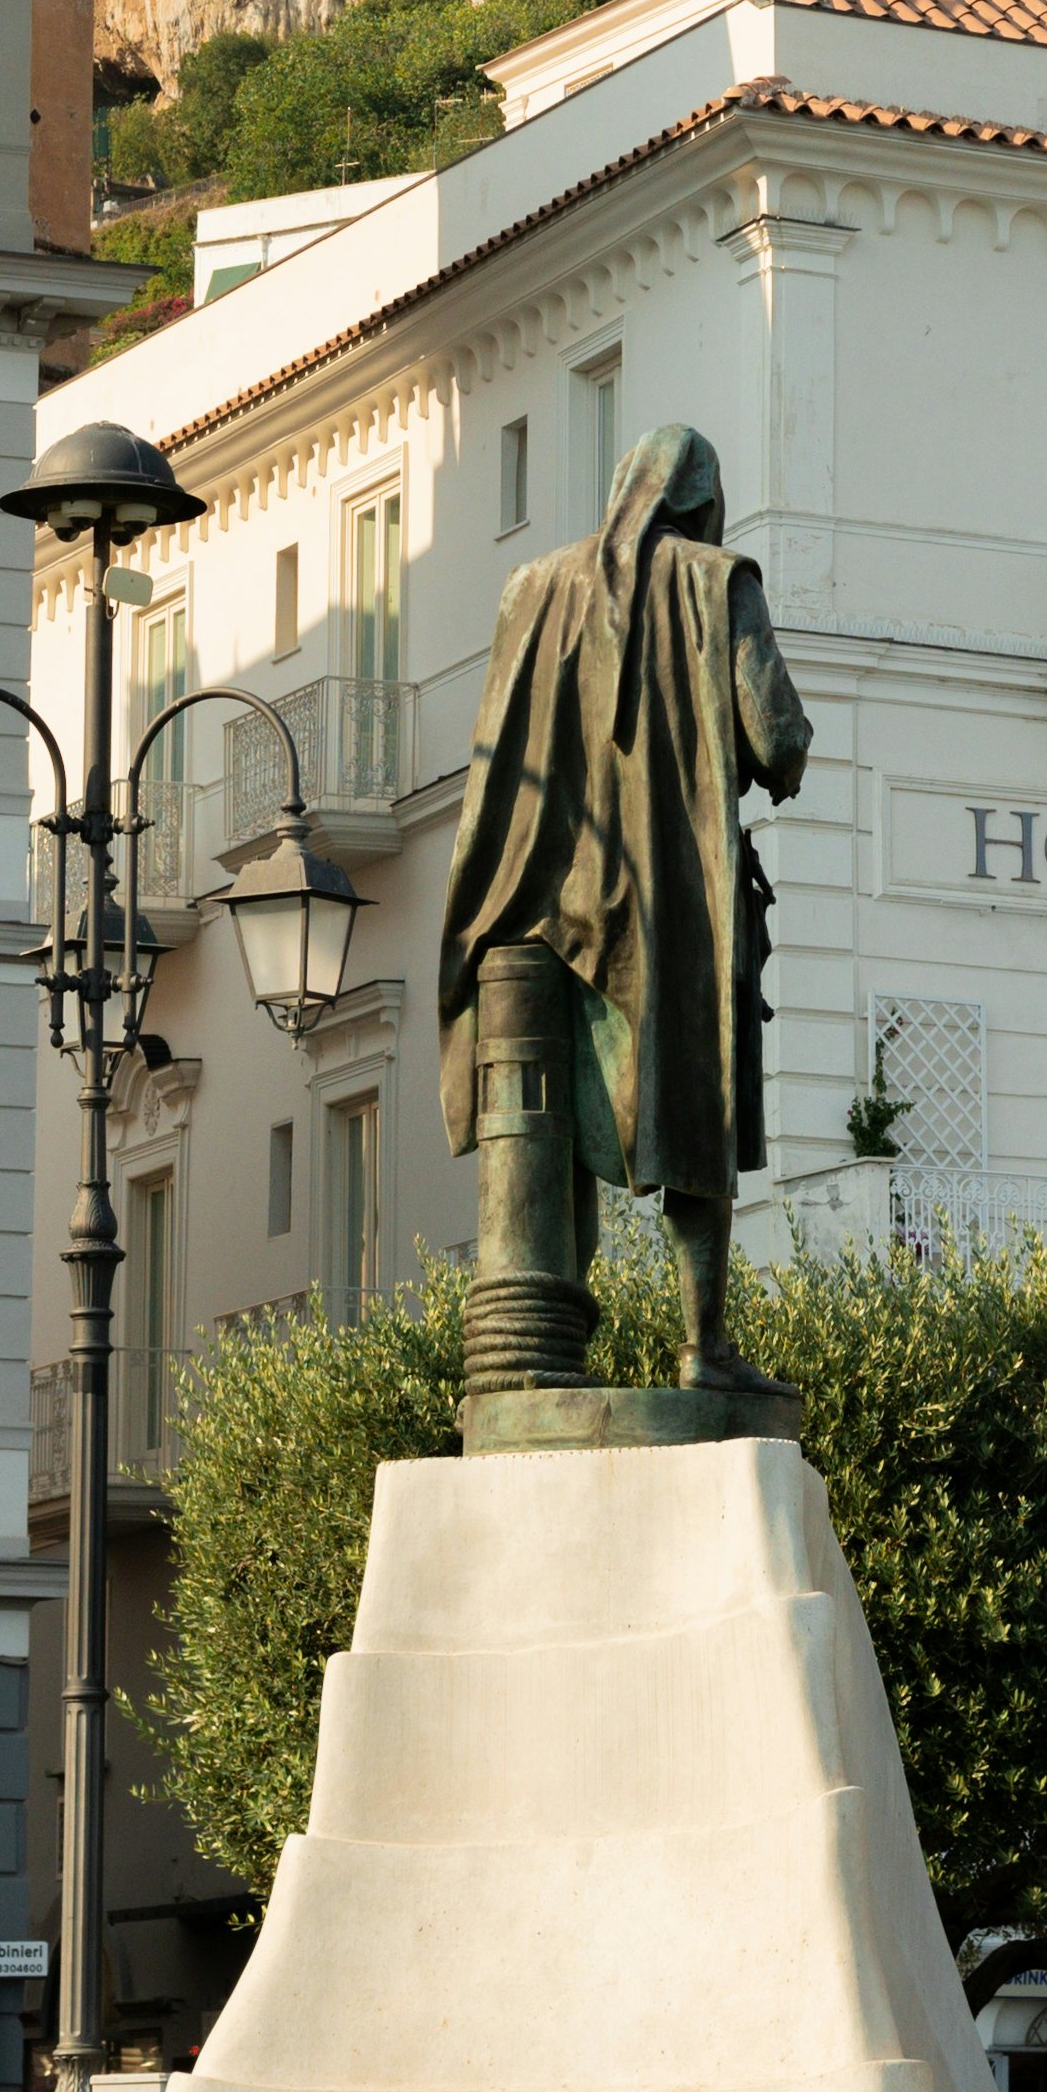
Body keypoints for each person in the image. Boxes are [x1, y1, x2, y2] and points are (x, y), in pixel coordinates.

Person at [434, 422, 811, 1383]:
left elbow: (492, 755)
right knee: (698, 1105)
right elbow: (775, 735)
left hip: (532, 907)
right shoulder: (720, 582)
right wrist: (780, 757)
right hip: (672, 902)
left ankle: (538, 1358)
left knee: (544, 1132)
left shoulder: (529, 587)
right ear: (702, 502)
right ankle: (703, 1346)